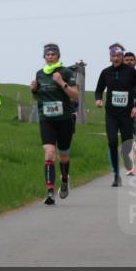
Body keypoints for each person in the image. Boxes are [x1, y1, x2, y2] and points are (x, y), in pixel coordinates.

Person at [30, 43, 79, 205]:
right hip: (46, 119)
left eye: (53, 54)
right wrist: (34, 90)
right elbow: (37, 98)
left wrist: (61, 83)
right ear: (44, 57)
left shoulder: (66, 72)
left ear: (58, 56)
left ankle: (64, 180)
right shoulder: (39, 74)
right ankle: (50, 191)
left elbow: (75, 95)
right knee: (50, 152)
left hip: (64, 119)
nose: (50, 57)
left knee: (63, 155)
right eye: (47, 54)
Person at [94, 43, 136, 187]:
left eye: (119, 56)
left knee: (126, 143)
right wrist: (98, 99)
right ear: (110, 57)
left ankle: (126, 158)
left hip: (127, 114)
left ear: (122, 56)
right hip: (111, 114)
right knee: (112, 141)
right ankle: (116, 175)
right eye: (113, 56)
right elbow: (98, 89)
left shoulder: (130, 72)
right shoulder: (105, 72)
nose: (116, 58)